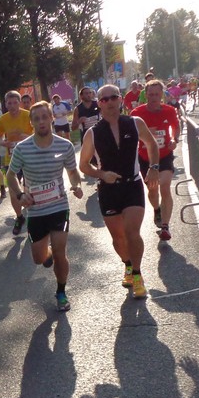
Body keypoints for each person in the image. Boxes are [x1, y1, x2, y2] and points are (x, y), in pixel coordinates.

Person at [79, 84, 159, 298]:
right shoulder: (93, 133)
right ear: (99, 104)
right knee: (119, 238)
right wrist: (102, 174)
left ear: (120, 99)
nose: (110, 102)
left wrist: (153, 168)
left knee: (133, 233)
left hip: (132, 185)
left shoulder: (135, 123)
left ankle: (138, 275)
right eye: (104, 99)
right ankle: (127, 264)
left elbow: (152, 144)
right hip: (108, 190)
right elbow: (83, 165)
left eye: (113, 97)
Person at [6, 101, 83, 311]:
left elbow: (72, 172)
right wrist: (20, 194)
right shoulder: (22, 149)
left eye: (44, 117)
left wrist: (76, 185)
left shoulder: (64, 146)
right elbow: (10, 176)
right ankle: (45, 253)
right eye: (36, 118)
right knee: (39, 258)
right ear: (31, 123)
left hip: (59, 206)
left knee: (60, 251)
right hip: (35, 210)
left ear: (52, 118)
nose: (41, 121)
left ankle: (61, 292)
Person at [131, 79, 180, 241]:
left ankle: (165, 226)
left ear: (162, 95)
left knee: (165, 187)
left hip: (164, 155)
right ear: (146, 95)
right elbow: (130, 134)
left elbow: (176, 127)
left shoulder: (169, 111)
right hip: (145, 158)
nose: (154, 98)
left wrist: (174, 139)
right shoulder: (137, 113)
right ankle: (157, 209)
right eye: (151, 94)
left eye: (157, 94)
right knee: (153, 191)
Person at [0, 90, 34, 235]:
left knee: (30, 190)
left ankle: (33, 217)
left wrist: (25, 136)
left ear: (20, 103)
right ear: (5, 104)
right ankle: (19, 217)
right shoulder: (3, 119)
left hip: (29, 158)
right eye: (9, 103)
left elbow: (38, 134)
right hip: (11, 159)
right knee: (13, 192)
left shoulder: (28, 115)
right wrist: (3, 143)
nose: (12, 106)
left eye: (15, 102)